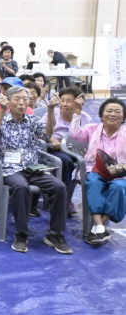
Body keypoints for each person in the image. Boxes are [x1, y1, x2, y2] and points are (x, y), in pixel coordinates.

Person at [0, 86, 71, 254]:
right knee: (20, 187)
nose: (21, 102)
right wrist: (1, 110)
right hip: (9, 168)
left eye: (24, 99)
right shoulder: (1, 118)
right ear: (9, 101)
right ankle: (21, 233)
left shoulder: (32, 120)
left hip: (32, 167)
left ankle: (55, 233)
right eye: (17, 99)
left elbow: (47, 134)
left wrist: (50, 109)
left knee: (59, 187)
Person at [67, 97, 126, 244]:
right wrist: (77, 111)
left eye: (117, 111)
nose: (113, 114)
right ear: (101, 115)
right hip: (93, 168)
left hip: (118, 171)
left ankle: (99, 227)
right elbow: (75, 135)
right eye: (109, 111)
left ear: (123, 117)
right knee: (93, 181)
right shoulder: (92, 129)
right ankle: (100, 226)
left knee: (119, 187)